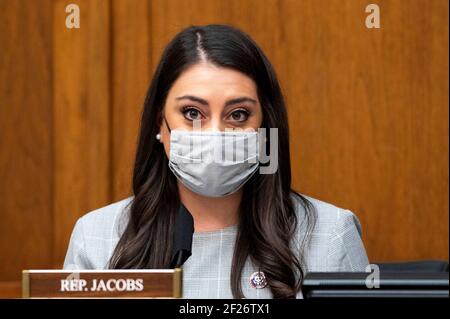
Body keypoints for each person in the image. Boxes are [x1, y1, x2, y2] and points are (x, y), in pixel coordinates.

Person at [63, 24, 369, 299]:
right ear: (160, 125)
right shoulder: (97, 236)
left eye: (238, 115)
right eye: (192, 113)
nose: (214, 134)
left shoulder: (329, 233)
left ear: (264, 129)